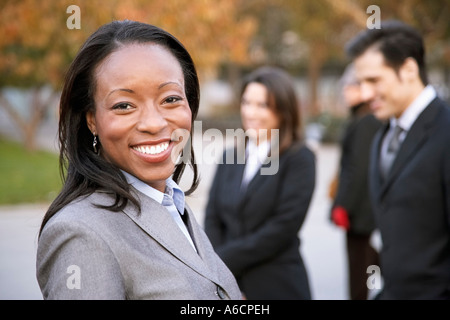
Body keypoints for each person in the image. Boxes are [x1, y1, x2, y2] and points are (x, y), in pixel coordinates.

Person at [36, 20, 242, 300]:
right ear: (92, 120)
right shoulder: (82, 234)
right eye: (124, 105)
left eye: (170, 99)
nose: (154, 123)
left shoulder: (170, 202)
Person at [346, 20, 450, 299]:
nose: (365, 94)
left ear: (409, 70)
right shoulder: (382, 135)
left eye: (374, 80)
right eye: (361, 83)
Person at [204, 66, 316, 300]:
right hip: (228, 281)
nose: (250, 112)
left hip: (276, 282)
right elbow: (213, 215)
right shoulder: (231, 155)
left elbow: (282, 228)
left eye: (262, 105)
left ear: (283, 110)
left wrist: (221, 260)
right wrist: (221, 274)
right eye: (246, 103)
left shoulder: (299, 158)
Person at [329, 63, 382, 300]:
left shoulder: (365, 121)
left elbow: (357, 169)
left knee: (358, 264)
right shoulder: (363, 118)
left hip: (358, 208)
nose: (346, 91)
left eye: (351, 86)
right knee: (364, 255)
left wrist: (343, 205)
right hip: (360, 206)